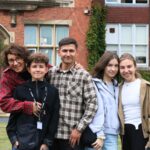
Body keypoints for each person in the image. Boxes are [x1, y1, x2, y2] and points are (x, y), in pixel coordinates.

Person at [48, 37, 98, 150]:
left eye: (71, 51)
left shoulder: (83, 76)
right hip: (51, 134)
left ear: (76, 52)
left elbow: (92, 104)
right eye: (65, 51)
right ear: (59, 52)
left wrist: (79, 129)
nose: (68, 54)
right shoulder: (51, 74)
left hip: (72, 136)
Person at [7, 52, 60, 150]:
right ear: (29, 69)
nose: (38, 69)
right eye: (34, 66)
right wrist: (14, 139)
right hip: (22, 143)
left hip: (42, 144)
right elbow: (12, 118)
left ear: (46, 69)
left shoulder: (53, 91)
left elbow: (54, 118)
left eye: (41, 66)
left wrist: (47, 142)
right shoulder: (19, 89)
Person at [84, 51, 120, 150]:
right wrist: (100, 135)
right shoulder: (93, 84)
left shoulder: (117, 86)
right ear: (103, 65)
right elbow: (97, 111)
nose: (113, 69)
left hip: (112, 134)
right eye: (110, 65)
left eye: (116, 66)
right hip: (96, 134)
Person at [118, 53, 150, 150]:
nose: (126, 70)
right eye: (122, 67)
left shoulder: (145, 86)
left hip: (141, 130)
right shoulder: (118, 88)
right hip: (125, 132)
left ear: (135, 67)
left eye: (129, 66)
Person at [0, 44, 41, 115]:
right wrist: (27, 106)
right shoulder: (8, 76)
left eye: (18, 58)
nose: (15, 63)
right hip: (20, 119)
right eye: (11, 60)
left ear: (24, 58)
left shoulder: (38, 68)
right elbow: (4, 103)